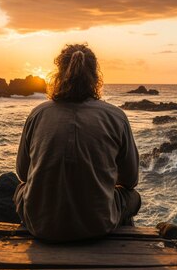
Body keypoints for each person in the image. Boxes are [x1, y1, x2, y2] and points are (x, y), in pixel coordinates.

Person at [14, 44, 141, 242]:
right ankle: (124, 245)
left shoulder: (38, 114)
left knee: (19, 189)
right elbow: (130, 180)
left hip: (41, 226)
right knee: (133, 197)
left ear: (59, 74)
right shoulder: (116, 116)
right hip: (98, 225)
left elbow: (22, 173)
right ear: (95, 77)